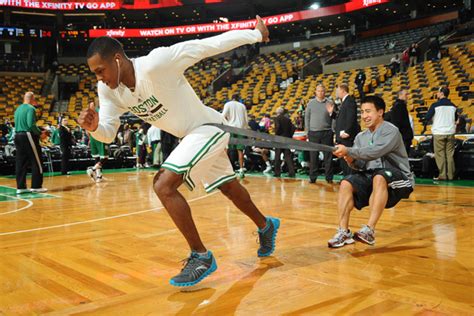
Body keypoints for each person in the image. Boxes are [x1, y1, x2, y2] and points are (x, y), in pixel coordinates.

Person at [78, 16, 280, 287]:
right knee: (229, 188)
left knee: (163, 185)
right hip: (192, 136)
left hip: (208, 127)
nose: (99, 78)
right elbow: (108, 132)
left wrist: (254, 35)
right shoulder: (110, 91)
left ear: (117, 59)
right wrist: (93, 128)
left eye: (100, 70)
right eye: (95, 74)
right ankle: (266, 226)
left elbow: (206, 45)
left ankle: (201, 256)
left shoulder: (156, 64)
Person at [329, 96, 414, 248]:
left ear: (380, 112)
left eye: (368, 111)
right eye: (362, 112)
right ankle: (343, 232)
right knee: (346, 182)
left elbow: (375, 152)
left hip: (398, 177)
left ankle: (369, 230)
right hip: (373, 175)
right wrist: (350, 159)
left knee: (380, 177)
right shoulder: (361, 137)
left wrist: (349, 150)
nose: (364, 116)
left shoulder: (391, 131)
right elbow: (361, 164)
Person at [13, 92, 47, 194]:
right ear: (32, 98)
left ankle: (21, 187)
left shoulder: (18, 109)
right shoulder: (31, 108)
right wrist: (40, 133)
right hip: (28, 135)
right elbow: (30, 125)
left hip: (17, 135)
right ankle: (36, 186)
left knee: (21, 162)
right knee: (36, 160)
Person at [424, 86, 458, 181]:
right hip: (450, 133)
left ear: (442, 93)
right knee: (449, 155)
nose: (437, 94)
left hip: (439, 133)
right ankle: (451, 175)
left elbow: (427, 117)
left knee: (440, 155)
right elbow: (455, 119)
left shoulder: (435, 105)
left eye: (438, 92)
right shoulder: (453, 106)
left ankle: (443, 175)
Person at [305, 84, 334, 184]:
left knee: (328, 157)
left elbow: (334, 117)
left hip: (327, 132)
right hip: (313, 133)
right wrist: (307, 131)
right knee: (313, 156)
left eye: (322, 91)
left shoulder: (329, 103)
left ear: (325, 92)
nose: (321, 93)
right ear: (315, 92)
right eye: (319, 91)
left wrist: (332, 130)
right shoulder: (310, 103)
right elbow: (307, 118)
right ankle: (313, 177)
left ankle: (329, 177)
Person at [333, 83, 360, 176]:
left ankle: (349, 179)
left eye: (338, 91)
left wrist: (347, 132)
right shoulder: (345, 102)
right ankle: (346, 178)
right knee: (343, 159)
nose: (336, 93)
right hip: (342, 136)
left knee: (347, 158)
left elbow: (351, 117)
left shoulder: (350, 101)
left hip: (346, 137)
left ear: (343, 90)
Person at [223, 94, 249, 176]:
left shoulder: (228, 104)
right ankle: (241, 169)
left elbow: (223, 116)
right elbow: (246, 120)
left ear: (232, 98)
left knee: (227, 149)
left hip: (231, 128)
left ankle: (225, 169)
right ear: (238, 99)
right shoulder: (242, 106)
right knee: (240, 150)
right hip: (241, 130)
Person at [86, 101, 109, 183]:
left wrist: (89, 138)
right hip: (100, 134)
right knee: (105, 157)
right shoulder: (100, 112)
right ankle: (92, 169)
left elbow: (86, 129)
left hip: (93, 136)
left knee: (97, 157)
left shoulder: (88, 114)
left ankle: (99, 176)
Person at [385, 90, 414, 155]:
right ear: (400, 95)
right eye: (406, 94)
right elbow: (397, 123)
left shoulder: (397, 105)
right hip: (403, 137)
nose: (408, 97)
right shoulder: (400, 106)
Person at [273, 107, 296, 177]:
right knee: (288, 156)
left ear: (277, 112)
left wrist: (276, 135)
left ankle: (277, 172)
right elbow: (293, 128)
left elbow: (278, 127)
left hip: (279, 139)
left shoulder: (277, 118)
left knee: (277, 156)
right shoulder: (288, 119)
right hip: (287, 139)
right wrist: (290, 136)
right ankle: (292, 172)